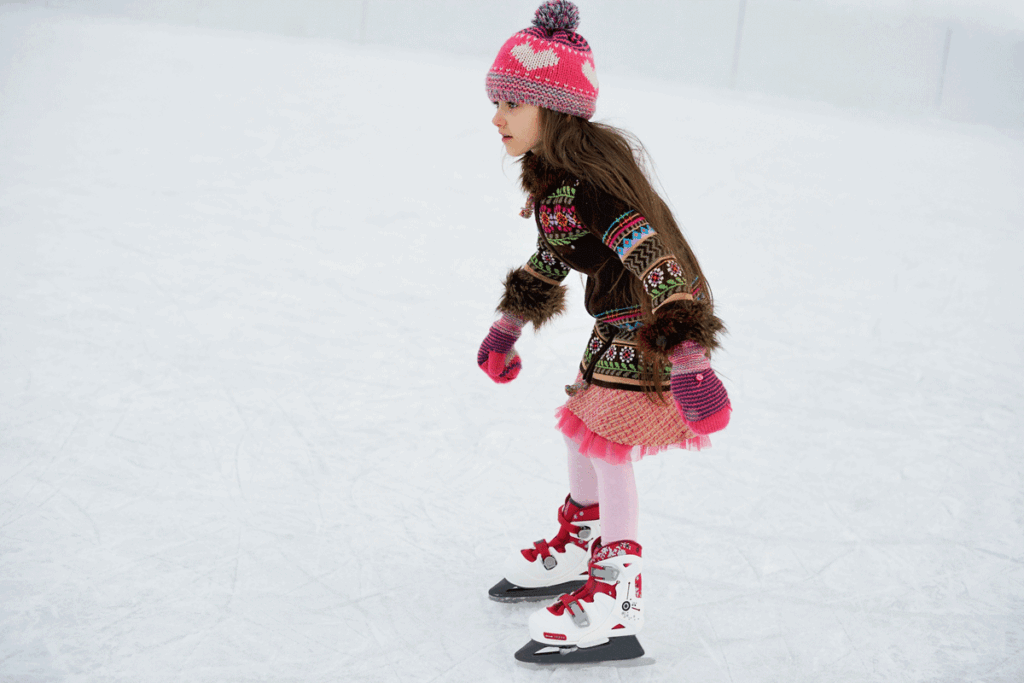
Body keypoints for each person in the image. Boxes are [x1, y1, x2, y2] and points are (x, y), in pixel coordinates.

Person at [477, 0, 732, 664]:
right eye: (496, 99)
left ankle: (618, 596)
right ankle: (583, 541)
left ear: (553, 109)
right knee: (582, 429)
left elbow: (656, 259)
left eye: (511, 101)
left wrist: (690, 354)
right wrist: (506, 328)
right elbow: (553, 256)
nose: (497, 116)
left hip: (649, 325)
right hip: (616, 323)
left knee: (610, 445)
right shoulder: (556, 187)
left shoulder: (594, 190)